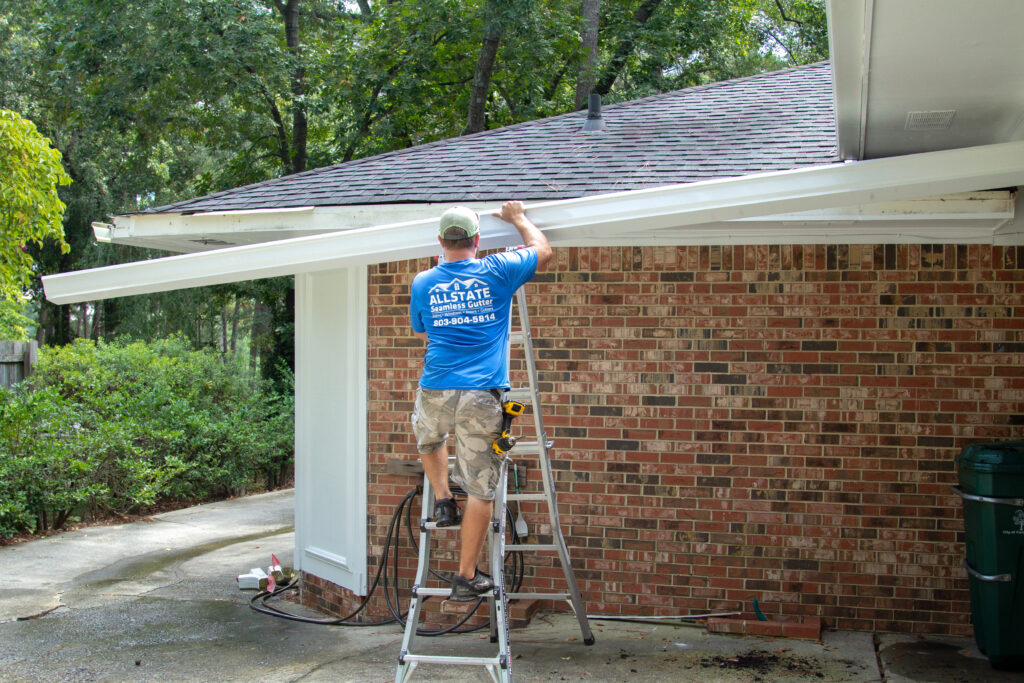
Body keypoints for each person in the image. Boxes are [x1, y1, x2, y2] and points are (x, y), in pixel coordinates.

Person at [409, 200, 552, 601]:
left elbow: (422, 332)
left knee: (429, 440)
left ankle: (441, 500)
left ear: (441, 241)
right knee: (480, 490)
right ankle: (466, 576)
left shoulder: (423, 282)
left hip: (435, 387)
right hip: (480, 395)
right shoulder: (498, 270)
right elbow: (543, 250)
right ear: (477, 240)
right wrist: (519, 219)